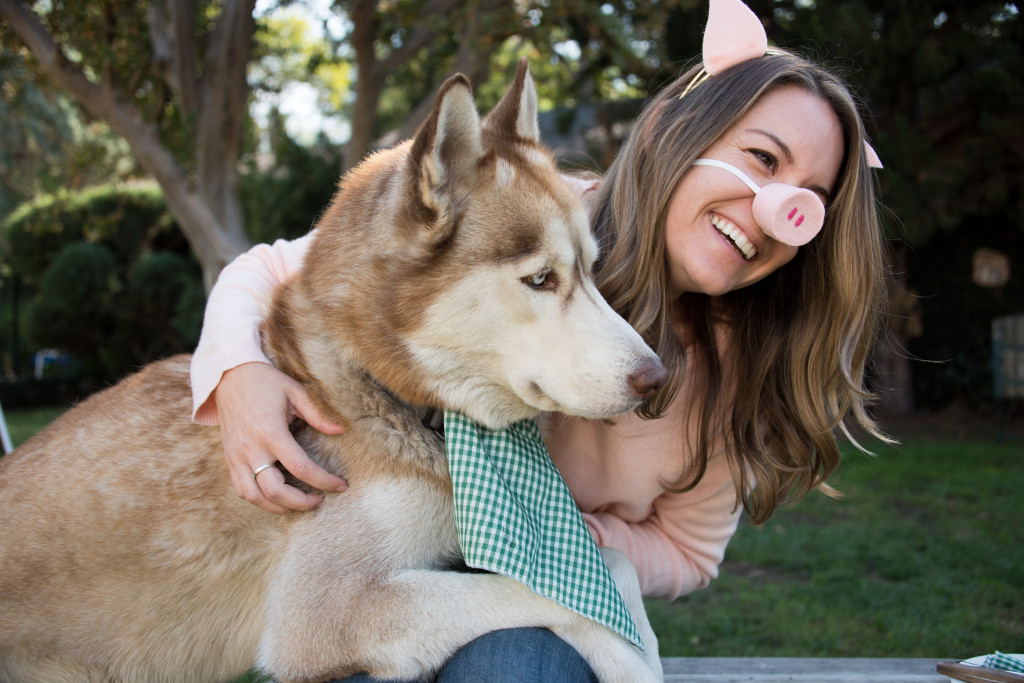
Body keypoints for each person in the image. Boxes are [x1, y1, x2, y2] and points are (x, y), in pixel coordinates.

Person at [189, 2, 890, 679]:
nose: (776, 210)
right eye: (764, 159)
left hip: (535, 585)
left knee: (518, 664)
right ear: (668, 134)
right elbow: (274, 266)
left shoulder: (739, 375)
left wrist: (590, 549)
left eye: (810, 199)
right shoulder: (535, 212)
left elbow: (689, 549)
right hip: (401, 538)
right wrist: (238, 371)